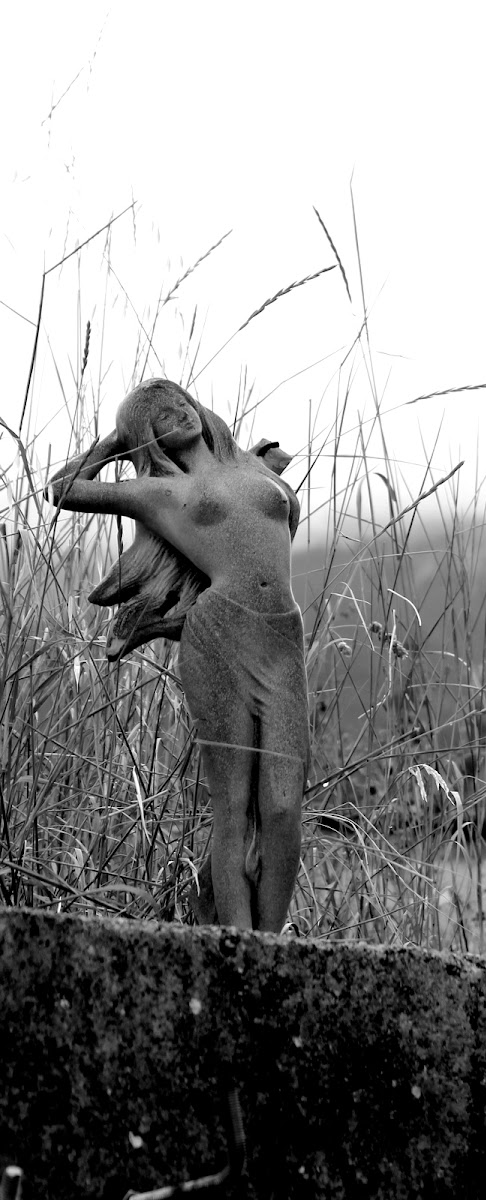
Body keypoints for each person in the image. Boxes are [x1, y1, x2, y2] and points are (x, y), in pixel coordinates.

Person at [48, 378, 309, 933]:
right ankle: (245, 949)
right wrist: (113, 442)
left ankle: (272, 944)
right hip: (218, 634)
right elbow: (63, 488)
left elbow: (284, 522)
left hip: (283, 636)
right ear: (148, 436)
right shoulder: (158, 493)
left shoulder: (250, 465)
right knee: (233, 806)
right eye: (156, 414)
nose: (175, 411)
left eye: (174, 399)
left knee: (284, 806)